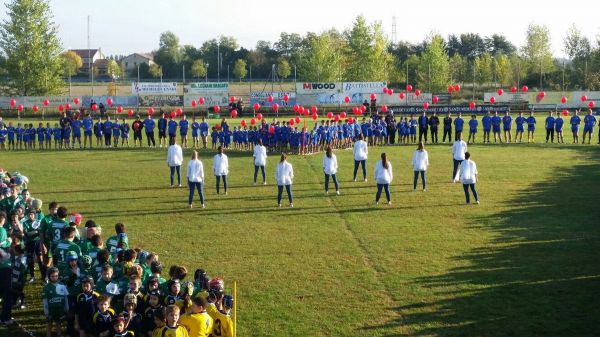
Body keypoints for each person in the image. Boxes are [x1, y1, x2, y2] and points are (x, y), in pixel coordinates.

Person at [0, 211, 14, 326]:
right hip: (4, 266)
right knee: (8, 292)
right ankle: (5, 318)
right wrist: (8, 241)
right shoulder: (2, 230)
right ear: (3, 219)